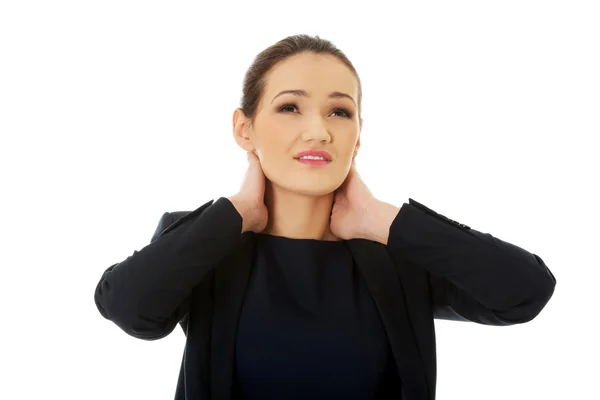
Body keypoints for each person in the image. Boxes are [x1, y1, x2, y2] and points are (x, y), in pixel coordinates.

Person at [94, 34, 557, 400]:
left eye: (339, 111)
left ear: (357, 137)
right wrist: (233, 214)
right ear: (244, 128)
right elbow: (129, 308)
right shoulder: (207, 241)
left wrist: (386, 222)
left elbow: (525, 292)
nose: (318, 131)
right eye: (290, 107)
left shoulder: (398, 257)